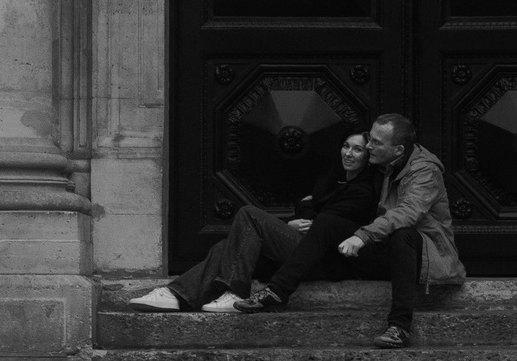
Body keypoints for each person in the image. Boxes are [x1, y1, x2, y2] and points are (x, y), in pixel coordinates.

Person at [240, 111, 464, 349]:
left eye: (376, 142)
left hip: (423, 258)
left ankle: (400, 326)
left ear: (398, 149)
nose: (368, 146)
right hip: (385, 251)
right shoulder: (385, 165)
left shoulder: (425, 172)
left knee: (403, 235)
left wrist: (362, 236)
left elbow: (408, 212)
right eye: (370, 138)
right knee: (328, 221)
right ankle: (277, 292)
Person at [128, 132, 377, 312]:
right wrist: (298, 218)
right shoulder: (332, 180)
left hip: (322, 259)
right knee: (227, 247)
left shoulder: (363, 191)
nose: (348, 153)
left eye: (357, 149)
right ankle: (177, 294)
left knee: (249, 214)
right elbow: (307, 211)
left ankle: (235, 291)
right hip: (302, 246)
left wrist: (306, 211)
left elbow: (320, 220)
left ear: (368, 156)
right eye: (346, 146)